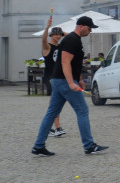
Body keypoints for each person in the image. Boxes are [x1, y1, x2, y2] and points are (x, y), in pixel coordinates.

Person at [31, 16, 108, 156]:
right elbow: (65, 62)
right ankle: (89, 145)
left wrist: (79, 79)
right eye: (89, 28)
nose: (90, 31)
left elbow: (74, 64)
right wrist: (71, 82)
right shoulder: (72, 40)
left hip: (59, 80)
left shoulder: (73, 39)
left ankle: (38, 146)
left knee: (51, 113)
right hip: (64, 81)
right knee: (83, 110)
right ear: (82, 26)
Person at [40, 17, 66, 137]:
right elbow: (43, 39)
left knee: (56, 103)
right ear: (51, 35)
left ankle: (50, 128)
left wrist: (63, 33)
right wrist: (47, 28)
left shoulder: (60, 47)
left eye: (59, 35)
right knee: (54, 103)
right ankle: (57, 127)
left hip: (58, 77)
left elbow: (75, 39)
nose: (58, 37)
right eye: (55, 35)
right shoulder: (47, 47)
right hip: (50, 77)